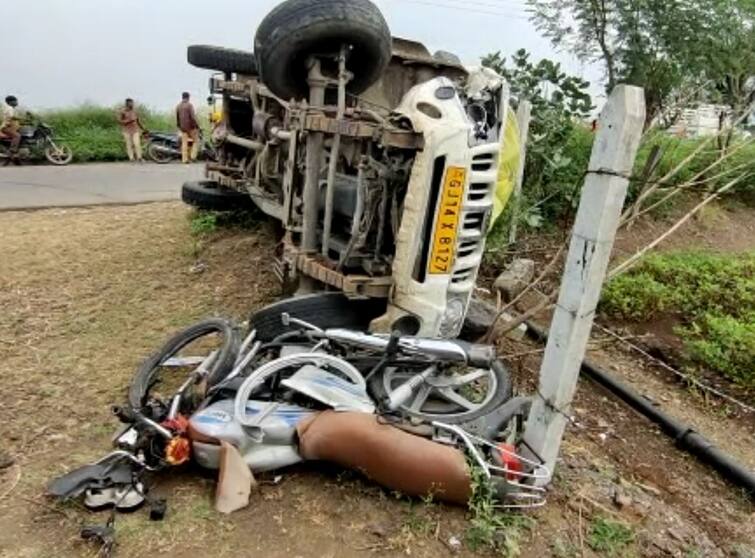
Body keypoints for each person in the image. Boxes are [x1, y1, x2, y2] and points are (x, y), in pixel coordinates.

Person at [118, 98, 145, 162]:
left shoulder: (135, 111)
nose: (132, 104)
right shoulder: (123, 111)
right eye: (130, 103)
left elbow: (138, 121)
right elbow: (120, 121)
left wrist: (143, 128)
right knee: (129, 145)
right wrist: (129, 121)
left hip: (135, 130)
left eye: (132, 103)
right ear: (127, 104)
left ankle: (139, 158)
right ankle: (131, 158)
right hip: (126, 131)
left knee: (137, 144)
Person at [176, 92, 199, 164]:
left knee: (184, 143)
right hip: (190, 127)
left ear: (182, 97)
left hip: (182, 128)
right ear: (188, 97)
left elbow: (177, 118)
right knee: (196, 141)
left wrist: (179, 126)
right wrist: (197, 125)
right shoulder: (189, 105)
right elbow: (193, 117)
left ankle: (184, 159)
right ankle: (193, 157)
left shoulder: (178, 106)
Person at [1, 96, 23, 162]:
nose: (17, 102)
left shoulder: (12, 109)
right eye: (15, 101)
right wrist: (21, 118)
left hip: (11, 127)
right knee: (17, 136)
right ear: (10, 102)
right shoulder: (9, 108)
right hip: (6, 128)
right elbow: (12, 117)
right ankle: (12, 150)